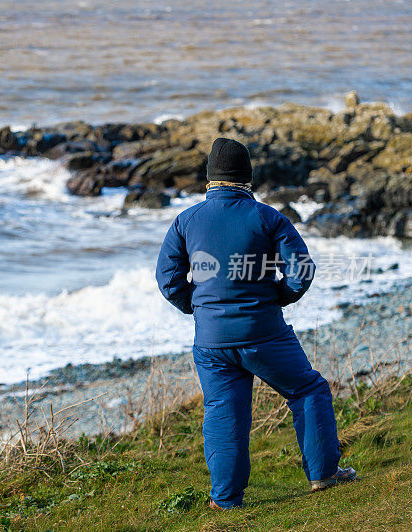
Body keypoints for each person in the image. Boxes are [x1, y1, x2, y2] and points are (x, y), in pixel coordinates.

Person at [155, 137, 356, 509]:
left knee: (223, 412)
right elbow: (301, 271)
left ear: (210, 178)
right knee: (308, 391)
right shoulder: (268, 217)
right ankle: (324, 475)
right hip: (264, 334)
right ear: (247, 177)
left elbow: (168, 280)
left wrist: (200, 310)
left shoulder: (186, 221)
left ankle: (226, 499)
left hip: (212, 341)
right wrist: (279, 296)